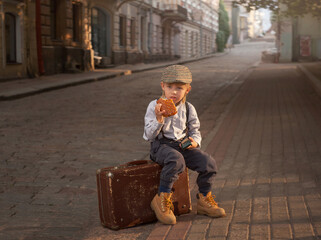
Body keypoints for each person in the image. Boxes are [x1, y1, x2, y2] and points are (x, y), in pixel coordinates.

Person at [143, 65, 226, 225]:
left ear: (187, 90)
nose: (174, 92)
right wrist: (159, 119)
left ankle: (204, 199)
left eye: (179, 88)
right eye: (169, 87)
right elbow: (148, 135)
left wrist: (194, 141)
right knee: (176, 160)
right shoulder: (154, 106)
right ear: (162, 86)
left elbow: (195, 130)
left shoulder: (189, 108)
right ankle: (162, 199)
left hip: (182, 144)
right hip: (160, 146)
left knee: (208, 163)